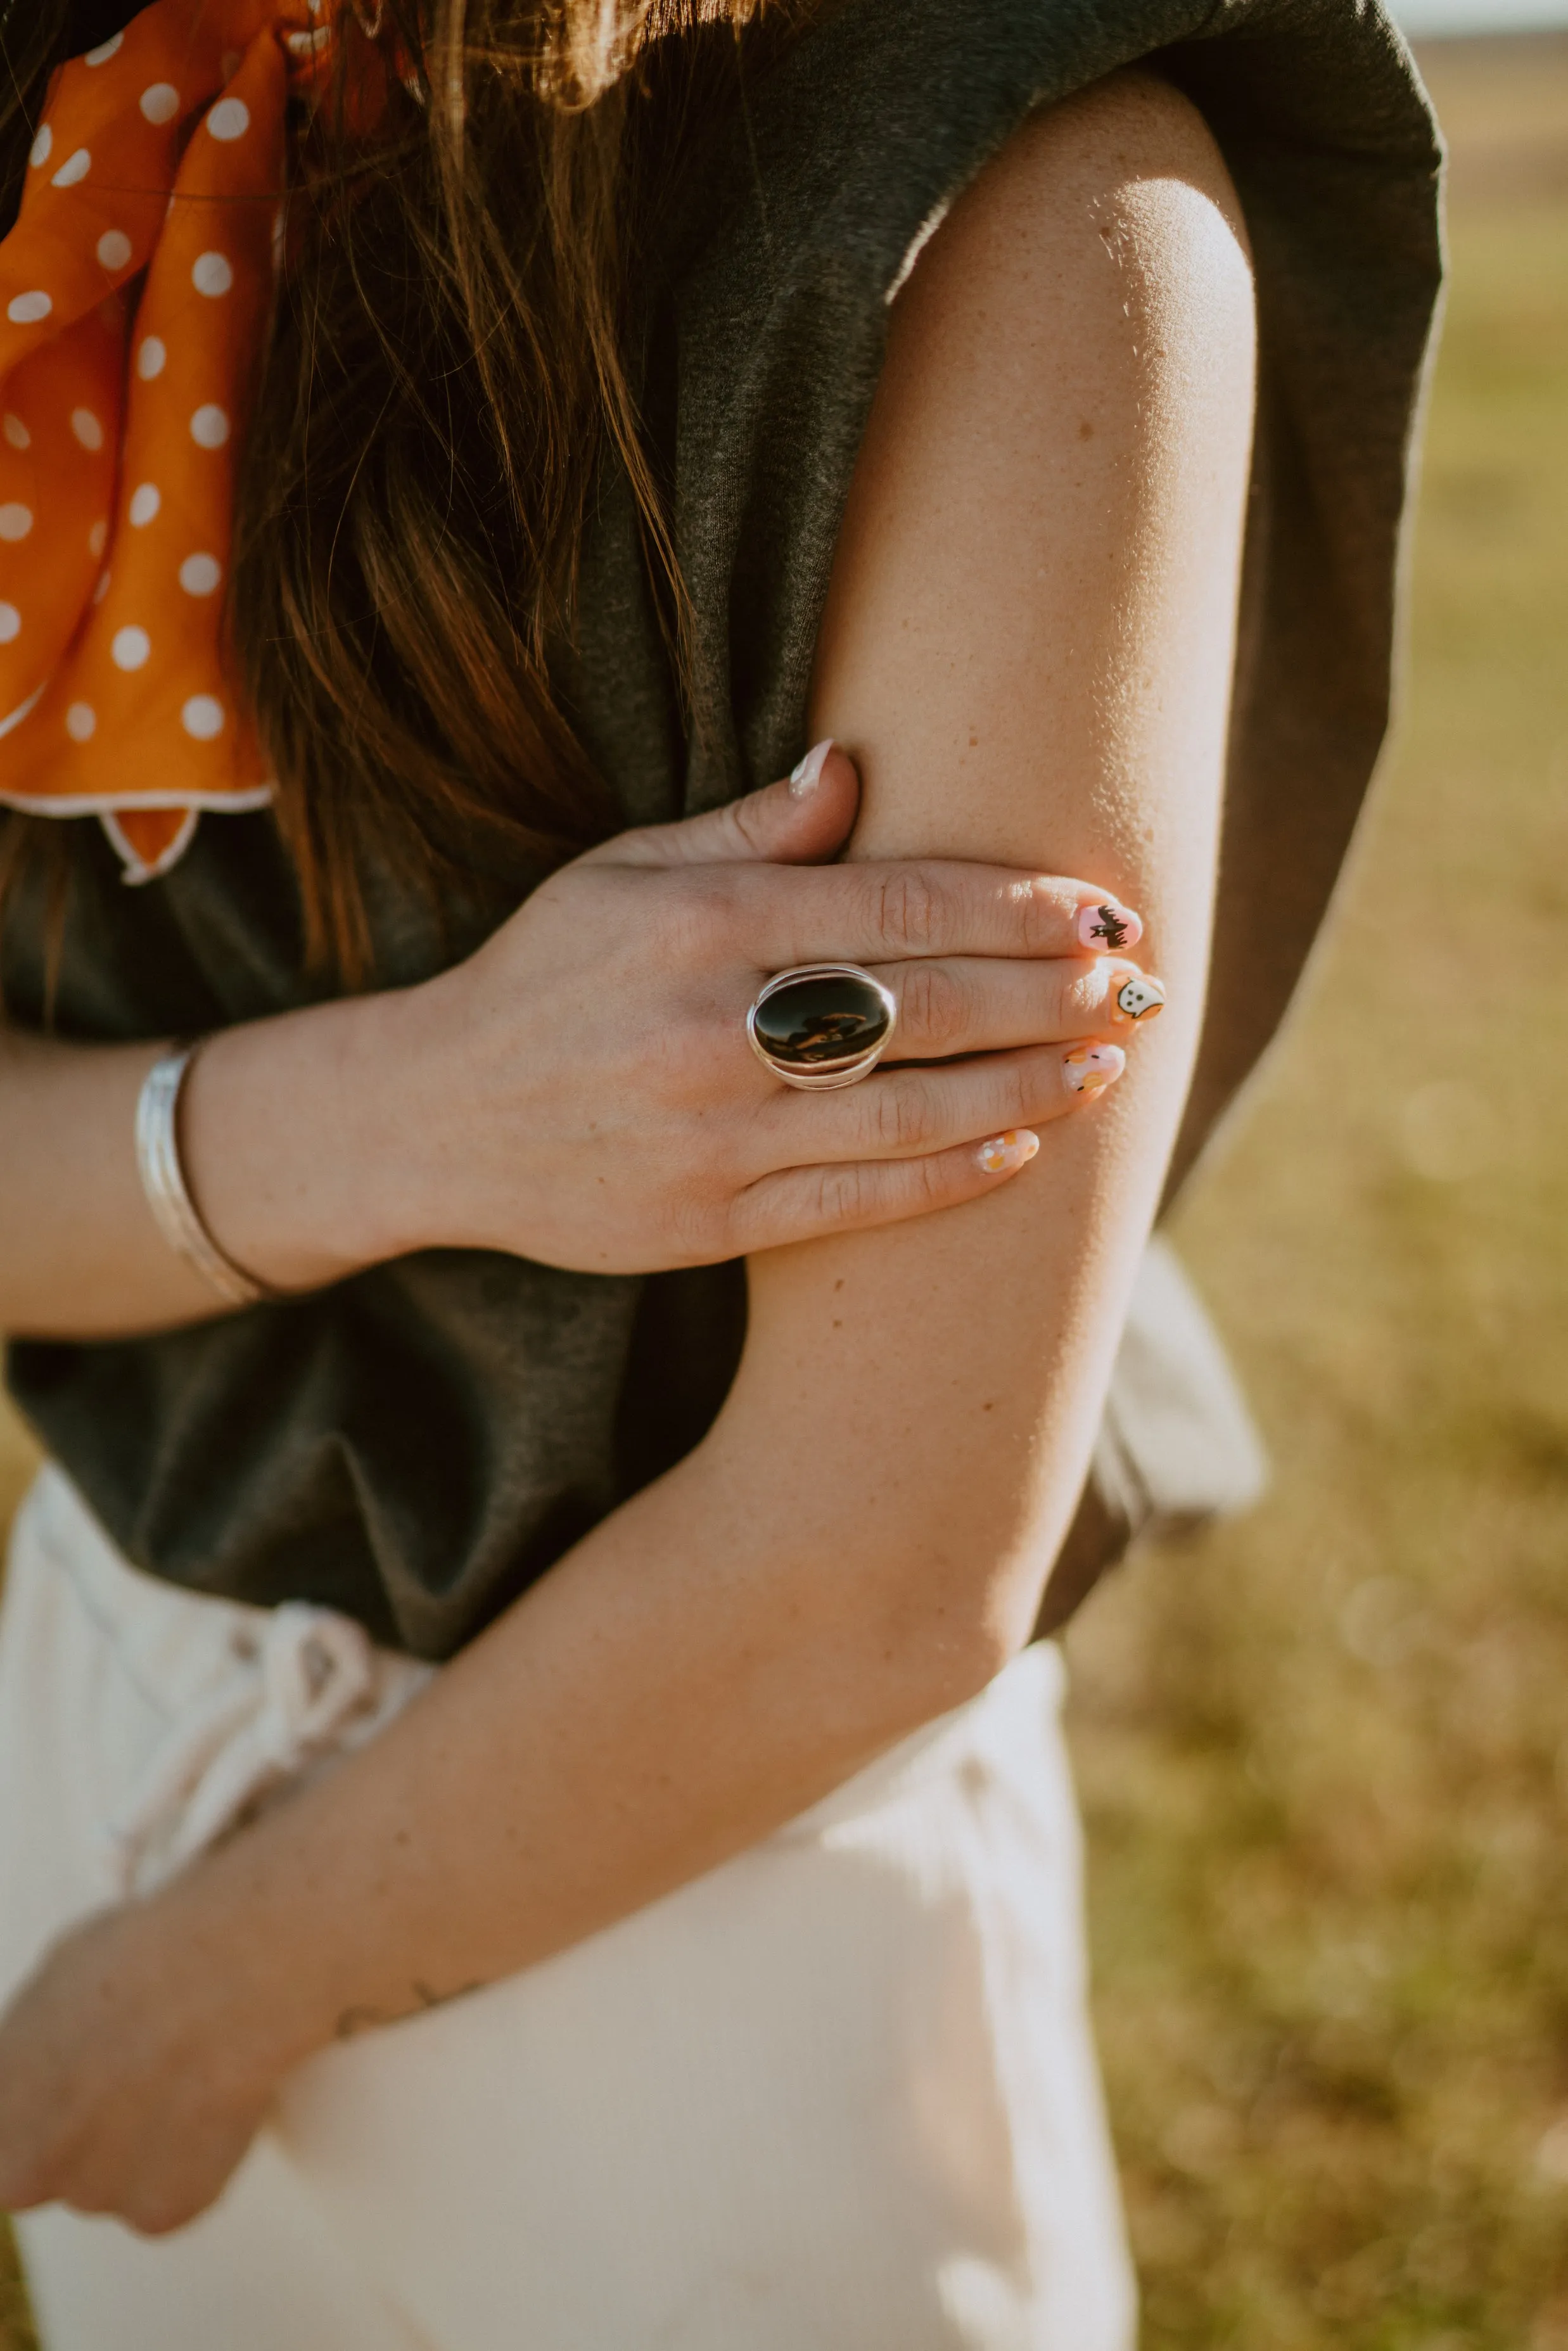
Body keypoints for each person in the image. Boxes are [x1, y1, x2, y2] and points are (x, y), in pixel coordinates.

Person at [0, 0, 1441, 2344]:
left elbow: (875, 1562)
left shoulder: (1013, 186)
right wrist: (430, 1102)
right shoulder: (68, 135)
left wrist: (203, 1983)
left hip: (695, 1891)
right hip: (94, 1688)